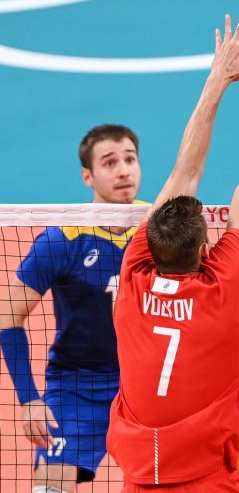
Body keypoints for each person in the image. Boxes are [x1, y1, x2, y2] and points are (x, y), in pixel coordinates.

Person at [107, 11, 239, 491]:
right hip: (210, 481)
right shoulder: (223, 289)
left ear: (151, 244)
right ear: (207, 252)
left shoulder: (134, 276)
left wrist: (216, 79)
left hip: (140, 479)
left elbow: (183, 175)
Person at [0, 123, 141, 492]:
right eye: (110, 163)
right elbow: (8, 316)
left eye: (130, 159)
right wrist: (30, 399)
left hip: (145, 382)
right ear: (88, 176)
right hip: (78, 385)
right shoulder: (62, 239)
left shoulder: (156, 226)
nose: (124, 170)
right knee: (50, 487)